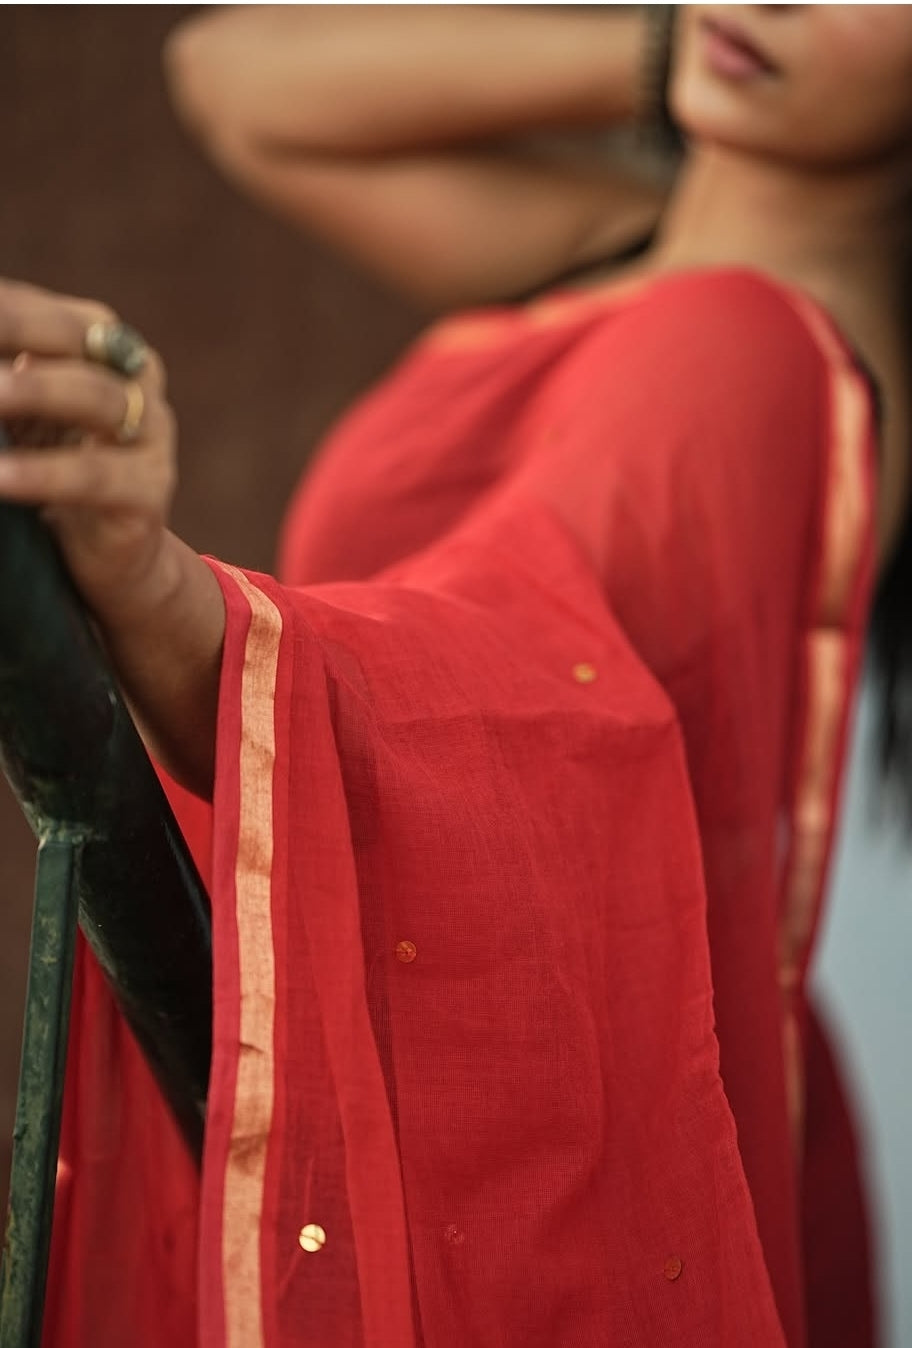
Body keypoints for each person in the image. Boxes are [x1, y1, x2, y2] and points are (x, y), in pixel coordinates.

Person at [0, 6, 909, 1345]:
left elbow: (522, 690)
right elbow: (234, 78)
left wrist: (154, 593)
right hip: (666, 1075)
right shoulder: (615, 253)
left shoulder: (754, 350)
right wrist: (675, 59)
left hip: (606, 1120)